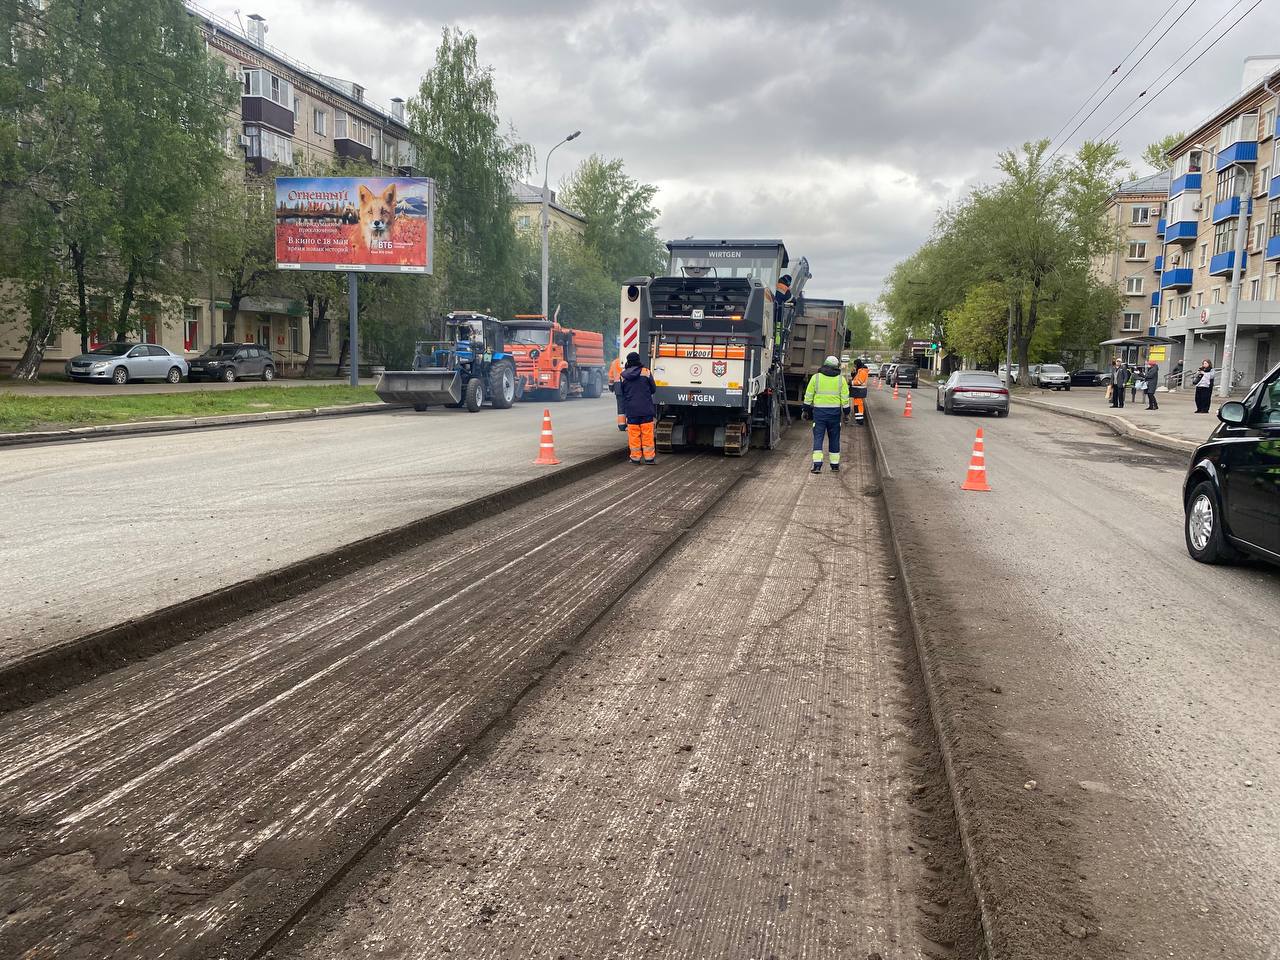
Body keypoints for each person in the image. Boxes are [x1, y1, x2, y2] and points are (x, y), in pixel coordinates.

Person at [803, 355, 850, 473]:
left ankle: (817, 465)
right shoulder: (841, 379)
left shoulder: (816, 378)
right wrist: (846, 413)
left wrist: (805, 410)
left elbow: (808, 395)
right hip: (834, 414)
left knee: (818, 438)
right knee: (834, 438)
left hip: (819, 413)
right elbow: (845, 399)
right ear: (836, 367)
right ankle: (834, 465)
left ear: (824, 365)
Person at [617, 352, 657, 464]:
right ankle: (649, 458)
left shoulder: (623, 375)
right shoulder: (646, 372)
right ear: (638, 360)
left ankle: (635, 458)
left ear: (628, 361)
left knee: (634, 435)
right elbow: (653, 389)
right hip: (646, 410)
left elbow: (622, 393)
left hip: (631, 411)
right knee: (647, 434)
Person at [607, 354, 625, 432]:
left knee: (620, 406)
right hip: (627, 385)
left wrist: (611, 386)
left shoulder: (614, 362)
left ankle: (621, 425)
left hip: (617, 386)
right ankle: (629, 423)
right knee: (629, 404)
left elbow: (611, 376)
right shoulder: (628, 361)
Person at [850, 359, 870, 425]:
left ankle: (860, 421)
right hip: (857, 391)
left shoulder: (863, 371)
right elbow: (856, 378)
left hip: (859, 391)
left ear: (858, 364)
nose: (854, 366)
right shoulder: (859, 370)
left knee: (858, 406)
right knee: (857, 405)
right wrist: (853, 374)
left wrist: (851, 383)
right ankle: (858, 420)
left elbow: (859, 382)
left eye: (855, 364)